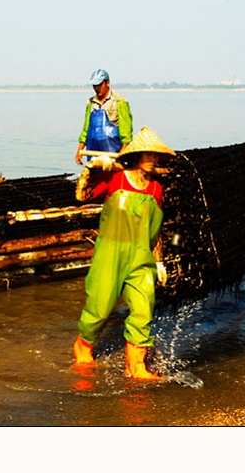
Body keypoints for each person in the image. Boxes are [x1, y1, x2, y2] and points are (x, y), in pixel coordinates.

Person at [72, 127, 175, 381]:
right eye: (148, 154)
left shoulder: (155, 190)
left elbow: (157, 229)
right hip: (111, 254)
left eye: (156, 155)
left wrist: (159, 261)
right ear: (137, 156)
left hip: (141, 258)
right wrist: (92, 168)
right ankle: (83, 345)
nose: (153, 159)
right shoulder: (115, 179)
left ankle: (136, 366)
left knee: (143, 310)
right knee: (100, 308)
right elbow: (81, 195)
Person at [74, 68, 133, 165]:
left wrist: (124, 150)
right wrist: (79, 151)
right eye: (95, 86)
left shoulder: (119, 101)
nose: (97, 88)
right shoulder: (90, 103)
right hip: (93, 151)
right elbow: (86, 129)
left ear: (107, 83)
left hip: (114, 152)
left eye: (100, 85)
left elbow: (126, 129)